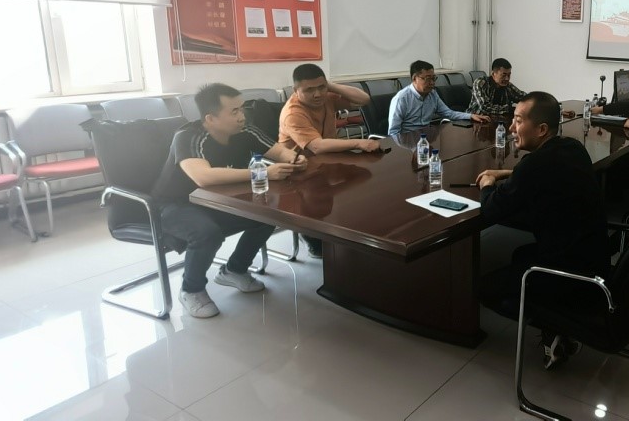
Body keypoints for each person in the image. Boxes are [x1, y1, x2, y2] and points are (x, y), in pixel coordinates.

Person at [475, 91, 610, 370]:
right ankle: (556, 327)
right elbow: (536, 173)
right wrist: (508, 173)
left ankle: (557, 324)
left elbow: (491, 210)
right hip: (595, 261)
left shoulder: (535, 166)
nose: (511, 128)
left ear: (541, 129)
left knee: (483, 288)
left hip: (567, 273)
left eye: (517, 120)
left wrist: (487, 183)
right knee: (520, 254)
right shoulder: (572, 148)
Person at [153, 83, 306, 318]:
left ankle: (234, 270)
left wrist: (295, 159)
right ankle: (191, 290)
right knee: (207, 233)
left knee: (267, 215)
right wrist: (262, 173)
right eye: (234, 111)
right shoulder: (188, 137)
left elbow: (279, 152)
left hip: (217, 201)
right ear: (210, 118)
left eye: (241, 108)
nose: (242, 116)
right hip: (174, 205)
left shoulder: (245, 130)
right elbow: (203, 177)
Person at [279, 63, 379, 258]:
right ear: (295, 90)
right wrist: (358, 143)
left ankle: (339, 234)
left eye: (321, 87)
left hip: (326, 162)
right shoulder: (293, 113)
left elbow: (364, 99)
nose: (317, 94)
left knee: (365, 183)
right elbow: (316, 146)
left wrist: (329, 86)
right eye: (309, 90)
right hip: (299, 171)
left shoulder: (325, 97)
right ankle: (309, 233)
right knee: (335, 194)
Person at [388, 60, 489, 135]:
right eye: (428, 79)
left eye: (434, 78)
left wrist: (470, 116)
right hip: (407, 141)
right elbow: (393, 132)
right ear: (415, 78)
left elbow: (448, 113)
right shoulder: (401, 99)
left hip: (426, 139)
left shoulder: (432, 94)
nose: (432, 83)